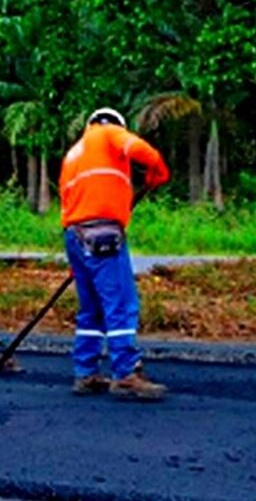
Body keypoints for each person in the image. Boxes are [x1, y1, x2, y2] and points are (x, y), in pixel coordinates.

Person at [59, 107, 170, 400]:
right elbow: (136, 148)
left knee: (91, 309)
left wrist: (78, 259)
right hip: (102, 234)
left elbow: (67, 202)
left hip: (76, 236)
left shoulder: (73, 155)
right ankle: (125, 372)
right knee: (120, 303)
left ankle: (86, 372)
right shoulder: (107, 132)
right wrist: (157, 166)